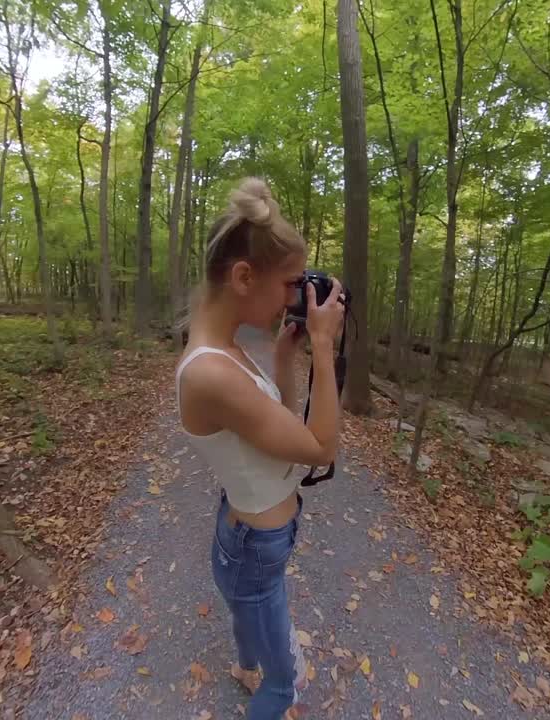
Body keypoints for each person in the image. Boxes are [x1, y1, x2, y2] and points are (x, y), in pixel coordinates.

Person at [175, 177, 345, 719]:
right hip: (255, 542)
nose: (298, 298)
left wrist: (283, 359)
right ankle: (260, 676)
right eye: (292, 284)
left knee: (245, 607)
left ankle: (244, 664)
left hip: (246, 532)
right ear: (244, 277)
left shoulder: (223, 350)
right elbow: (320, 447)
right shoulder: (210, 373)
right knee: (284, 685)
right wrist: (322, 343)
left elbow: (276, 429)